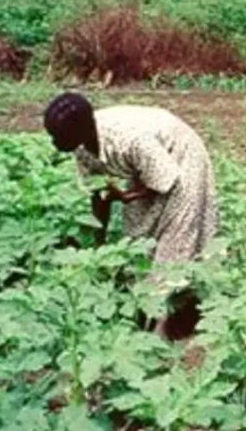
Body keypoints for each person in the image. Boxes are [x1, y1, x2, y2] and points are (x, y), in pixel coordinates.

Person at [43, 92, 220, 337]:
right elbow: (98, 195)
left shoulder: (130, 139)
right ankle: (141, 306)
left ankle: (161, 327)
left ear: (80, 131)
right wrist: (98, 245)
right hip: (148, 166)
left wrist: (127, 196)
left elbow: (167, 179)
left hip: (180, 155)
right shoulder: (82, 149)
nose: (55, 143)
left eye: (59, 137)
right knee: (137, 234)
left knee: (176, 237)